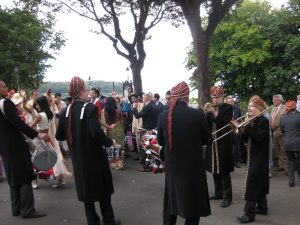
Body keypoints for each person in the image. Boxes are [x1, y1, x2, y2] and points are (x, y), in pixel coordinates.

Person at [56, 76, 121, 225]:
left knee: (86, 191)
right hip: (94, 158)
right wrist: (109, 142)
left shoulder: (65, 111)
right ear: (80, 92)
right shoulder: (89, 108)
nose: (88, 92)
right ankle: (109, 220)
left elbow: (59, 135)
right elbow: (96, 133)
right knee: (103, 191)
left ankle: (92, 221)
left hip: (78, 159)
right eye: (86, 89)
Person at [157, 81, 213, 225]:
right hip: (193, 169)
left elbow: (161, 142)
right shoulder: (197, 114)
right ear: (187, 97)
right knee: (193, 207)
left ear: (174, 97)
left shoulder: (163, 116)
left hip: (173, 169)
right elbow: (208, 140)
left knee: (171, 204)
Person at [0, 80, 49, 218]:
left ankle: (16, 209)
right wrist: (37, 134)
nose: (6, 88)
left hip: (4, 146)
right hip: (15, 145)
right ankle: (27, 210)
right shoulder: (5, 103)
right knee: (24, 176)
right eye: (3, 87)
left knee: (13, 178)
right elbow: (17, 123)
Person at [237, 96, 270, 224]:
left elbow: (258, 138)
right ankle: (262, 208)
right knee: (259, 182)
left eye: (252, 106)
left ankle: (248, 214)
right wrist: (243, 129)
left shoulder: (263, 121)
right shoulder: (253, 120)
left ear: (259, 108)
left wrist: (248, 126)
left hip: (259, 158)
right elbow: (247, 139)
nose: (249, 108)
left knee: (252, 184)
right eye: (249, 105)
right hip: (253, 157)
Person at [30, 96, 70, 188]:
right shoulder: (50, 114)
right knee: (54, 158)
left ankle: (33, 181)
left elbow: (30, 127)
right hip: (47, 138)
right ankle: (61, 178)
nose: (36, 106)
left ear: (40, 104)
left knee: (36, 158)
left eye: (37, 104)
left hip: (39, 139)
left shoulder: (40, 116)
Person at [204, 86, 234, 208]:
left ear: (222, 96)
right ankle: (218, 192)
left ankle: (228, 197)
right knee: (214, 170)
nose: (214, 99)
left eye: (216, 97)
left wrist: (213, 112)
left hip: (224, 144)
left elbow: (223, 122)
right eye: (213, 97)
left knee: (224, 171)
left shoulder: (228, 108)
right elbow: (206, 125)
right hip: (213, 144)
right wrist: (205, 113)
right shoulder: (211, 109)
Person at [280, 100, 300, 187]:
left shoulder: (283, 118)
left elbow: (282, 130)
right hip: (298, 142)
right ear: (295, 108)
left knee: (290, 162)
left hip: (287, 142)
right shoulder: (299, 117)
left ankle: (291, 181)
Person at [224, 96, 243, 168]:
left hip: (236, 129)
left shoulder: (237, 108)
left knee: (237, 146)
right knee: (228, 146)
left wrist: (238, 124)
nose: (230, 104)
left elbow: (241, 118)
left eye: (231, 102)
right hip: (228, 130)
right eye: (228, 102)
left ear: (233, 102)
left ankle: (236, 161)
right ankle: (229, 161)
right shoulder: (224, 110)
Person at [271, 94, 287, 173]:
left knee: (283, 150)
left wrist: (279, 132)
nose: (273, 101)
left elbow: (285, 122)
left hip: (281, 132)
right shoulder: (273, 108)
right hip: (273, 131)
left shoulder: (284, 108)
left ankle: (287, 168)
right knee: (277, 150)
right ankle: (281, 165)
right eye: (273, 99)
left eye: (275, 100)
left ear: (280, 101)